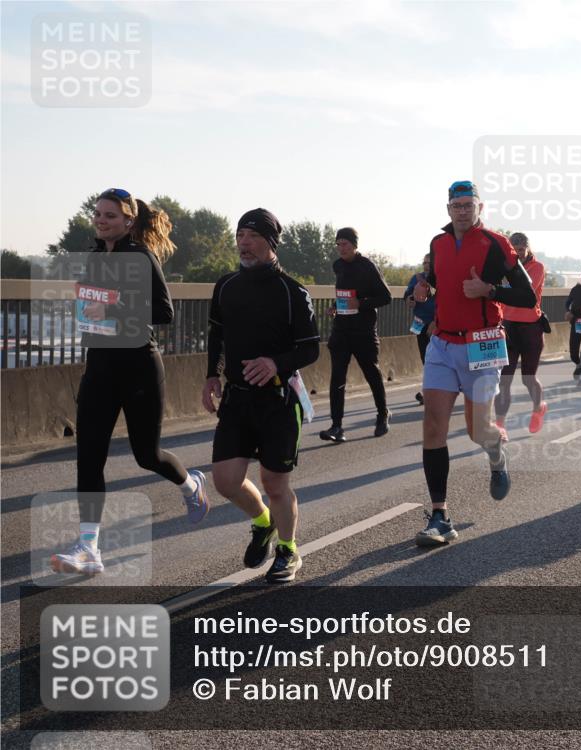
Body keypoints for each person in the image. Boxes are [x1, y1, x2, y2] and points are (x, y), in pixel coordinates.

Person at [51, 188, 210, 576]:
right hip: (100, 367)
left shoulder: (140, 256)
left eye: (110, 215)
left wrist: (112, 306)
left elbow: (164, 311)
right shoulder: (92, 258)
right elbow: (92, 307)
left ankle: (191, 485)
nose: (101, 220)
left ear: (128, 221)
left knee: (146, 455)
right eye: (98, 214)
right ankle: (89, 547)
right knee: (89, 457)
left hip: (139, 366)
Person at [410, 181, 536, 546]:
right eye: (456, 205)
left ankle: (496, 453)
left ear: (480, 207)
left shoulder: (496, 244)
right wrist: (422, 287)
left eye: (469, 205)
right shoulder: (438, 243)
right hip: (443, 344)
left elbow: (527, 295)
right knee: (433, 425)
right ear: (448, 209)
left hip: (482, 345)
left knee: (477, 431)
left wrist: (490, 291)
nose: (462, 211)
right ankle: (440, 515)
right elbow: (434, 281)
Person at [202, 208, 320, 583]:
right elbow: (216, 336)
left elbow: (311, 349)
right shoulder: (225, 286)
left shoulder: (292, 291)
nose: (244, 242)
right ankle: (262, 522)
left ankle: (288, 549)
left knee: (275, 483)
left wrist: (275, 363)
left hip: (278, 400)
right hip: (237, 398)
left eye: (252, 235)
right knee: (225, 481)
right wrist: (210, 376)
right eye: (240, 235)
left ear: (271, 242)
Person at [319, 228, 392, 443]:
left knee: (372, 373)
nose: (342, 248)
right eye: (339, 244)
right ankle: (337, 426)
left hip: (364, 331)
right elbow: (345, 293)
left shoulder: (367, 266)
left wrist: (361, 303)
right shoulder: (338, 265)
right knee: (337, 378)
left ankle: (383, 414)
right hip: (341, 330)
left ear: (355, 245)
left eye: (346, 244)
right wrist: (335, 306)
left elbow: (385, 297)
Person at [495, 232, 547, 440]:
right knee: (504, 380)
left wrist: (499, 290)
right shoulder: (503, 266)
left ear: (528, 248)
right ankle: (499, 425)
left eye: (522, 249)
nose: (518, 253)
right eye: (514, 249)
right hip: (508, 327)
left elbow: (523, 293)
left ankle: (539, 407)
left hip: (531, 328)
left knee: (528, 378)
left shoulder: (537, 267)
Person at [404, 253, 437, 405]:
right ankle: (429, 393)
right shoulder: (416, 278)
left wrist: (436, 322)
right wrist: (410, 300)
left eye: (429, 262)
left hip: (437, 326)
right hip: (420, 325)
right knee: (426, 360)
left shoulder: (440, 280)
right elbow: (407, 295)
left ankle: (432, 393)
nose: (426, 265)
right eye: (424, 262)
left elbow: (447, 303)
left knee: (436, 361)